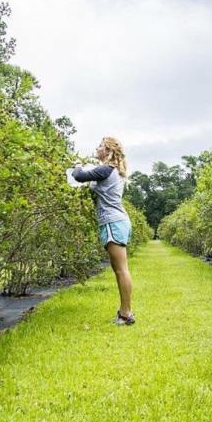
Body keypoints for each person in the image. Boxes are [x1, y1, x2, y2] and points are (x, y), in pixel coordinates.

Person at [72, 137, 135, 326]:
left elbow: (79, 176)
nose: (96, 148)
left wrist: (76, 165)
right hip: (115, 221)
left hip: (113, 223)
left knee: (121, 269)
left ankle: (126, 314)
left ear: (108, 152)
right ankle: (125, 312)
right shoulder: (110, 171)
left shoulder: (107, 170)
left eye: (100, 146)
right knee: (119, 269)